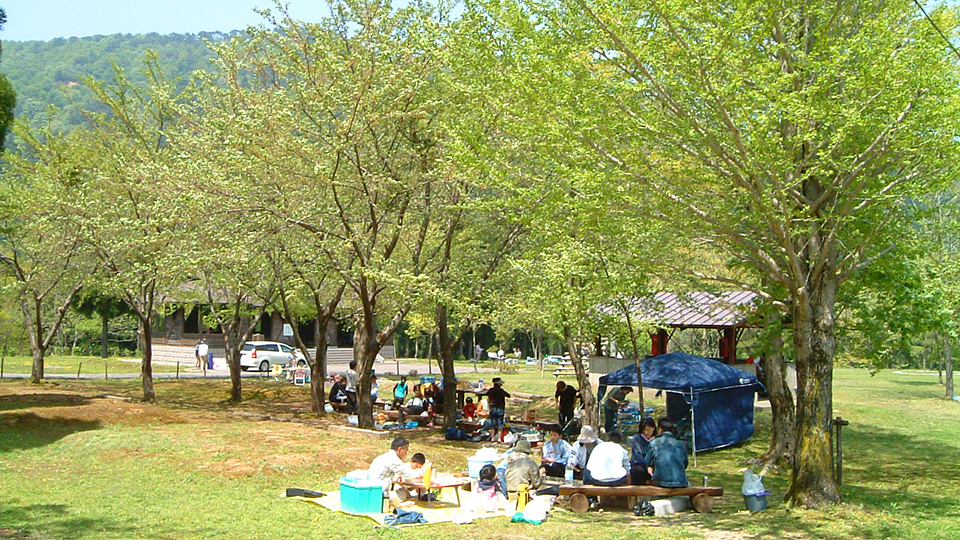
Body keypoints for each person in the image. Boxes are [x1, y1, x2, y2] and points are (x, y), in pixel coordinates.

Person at [645, 417, 689, 488]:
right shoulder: (681, 445)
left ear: (660, 430)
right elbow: (685, 464)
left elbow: (647, 462)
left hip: (660, 482)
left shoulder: (654, 443)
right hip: (680, 482)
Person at [629, 417, 657, 485]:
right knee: (637, 471)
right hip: (639, 465)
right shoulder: (637, 438)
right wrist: (647, 466)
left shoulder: (657, 440)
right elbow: (637, 455)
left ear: (653, 428)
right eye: (643, 430)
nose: (646, 432)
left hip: (653, 465)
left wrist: (651, 466)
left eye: (648, 430)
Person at [484, 377, 510, 441]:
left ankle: (492, 438)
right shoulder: (501, 391)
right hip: (500, 408)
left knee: (493, 423)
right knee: (500, 423)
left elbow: (486, 394)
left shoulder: (491, 390)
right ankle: (499, 438)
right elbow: (508, 395)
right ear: (499, 384)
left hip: (492, 408)